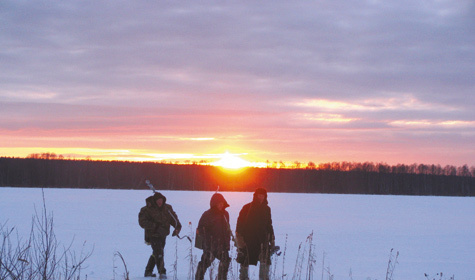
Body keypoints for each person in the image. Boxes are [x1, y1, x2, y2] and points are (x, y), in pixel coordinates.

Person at [138, 192, 182, 279]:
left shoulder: (167, 208)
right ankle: (162, 272)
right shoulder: (147, 209)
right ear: (155, 201)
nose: (159, 202)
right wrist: (155, 226)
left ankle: (148, 271)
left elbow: (174, 219)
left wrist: (177, 227)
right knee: (159, 252)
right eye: (158, 200)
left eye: (161, 200)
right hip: (153, 234)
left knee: (156, 253)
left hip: (163, 234)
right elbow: (142, 222)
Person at [235, 188, 275, 280]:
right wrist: (240, 240)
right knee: (245, 261)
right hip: (248, 240)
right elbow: (239, 224)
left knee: (265, 261)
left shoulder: (267, 209)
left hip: (263, 240)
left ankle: (264, 278)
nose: (261, 197)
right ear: (255, 196)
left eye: (263, 195)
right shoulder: (247, 207)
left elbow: (269, 225)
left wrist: (272, 239)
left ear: (265, 197)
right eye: (259, 195)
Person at [195, 193, 232, 280]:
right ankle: (198, 278)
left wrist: (227, 243)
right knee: (204, 263)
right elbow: (200, 229)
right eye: (219, 203)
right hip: (210, 245)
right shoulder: (207, 214)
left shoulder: (225, 214)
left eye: (222, 203)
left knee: (225, 262)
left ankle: (221, 278)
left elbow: (227, 230)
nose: (221, 205)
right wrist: (208, 242)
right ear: (214, 204)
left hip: (222, 246)